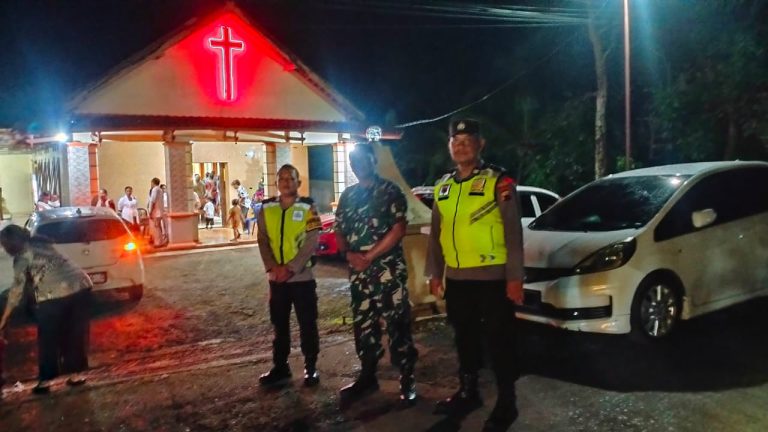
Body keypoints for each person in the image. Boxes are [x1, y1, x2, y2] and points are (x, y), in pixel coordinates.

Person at [426, 119, 524, 432]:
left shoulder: (499, 181)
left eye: (468, 140)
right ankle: (468, 392)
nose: (461, 146)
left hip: (493, 280)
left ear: (481, 144)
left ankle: (507, 402)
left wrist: (515, 278)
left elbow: (513, 233)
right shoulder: (443, 186)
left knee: (499, 342)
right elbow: (436, 234)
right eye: (456, 141)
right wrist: (435, 273)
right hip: (457, 280)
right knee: (464, 338)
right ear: (449, 146)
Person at [334, 143, 418, 408]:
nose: (358, 165)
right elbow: (339, 229)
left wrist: (368, 257)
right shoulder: (348, 195)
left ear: (373, 160)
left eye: (362, 160)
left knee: (397, 324)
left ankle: (407, 377)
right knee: (363, 325)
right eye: (353, 161)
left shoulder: (390, 191)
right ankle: (368, 376)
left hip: (387, 272)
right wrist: (348, 254)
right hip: (359, 275)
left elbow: (398, 229)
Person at [0, 225, 92, 394]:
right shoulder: (42, 244)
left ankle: (46, 380)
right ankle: (76, 375)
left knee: (48, 337)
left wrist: (4, 319)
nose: (4, 249)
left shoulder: (22, 257)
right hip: (82, 286)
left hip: (54, 294)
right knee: (74, 332)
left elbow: (16, 292)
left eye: (4, 245)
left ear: (11, 243)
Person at [256, 164, 322, 388]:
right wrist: (272, 267)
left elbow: (312, 240)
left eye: (291, 178)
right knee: (279, 325)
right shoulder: (267, 208)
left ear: (298, 183)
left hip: (302, 278)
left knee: (308, 323)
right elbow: (262, 240)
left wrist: (291, 268)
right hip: (277, 280)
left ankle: (311, 367)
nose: (286, 182)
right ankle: (280, 367)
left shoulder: (308, 207)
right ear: (276, 183)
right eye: (282, 178)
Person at [148, 178, 167, 247]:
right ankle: (161, 241)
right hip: (160, 211)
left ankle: (158, 242)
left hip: (156, 211)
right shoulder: (160, 190)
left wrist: (150, 211)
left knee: (156, 227)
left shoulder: (155, 189)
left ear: (153, 182)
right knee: (159, 226)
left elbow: (152, 200)